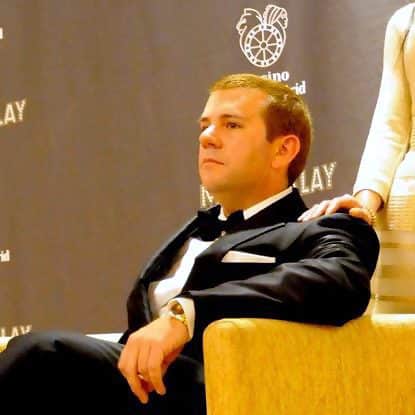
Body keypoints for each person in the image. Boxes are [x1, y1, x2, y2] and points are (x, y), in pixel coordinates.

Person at [0, 73, 379, 414]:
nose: (207, 137)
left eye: (231, 124)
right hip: (136, 389)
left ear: (283, 150)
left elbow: (337, 280)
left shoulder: (320, 226)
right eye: (204, 125)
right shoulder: (192, 231)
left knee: (41, 355)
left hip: (216, 393)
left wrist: (189, 313)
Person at [299, 3, 415, 313]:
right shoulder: (406, 20)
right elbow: (390, 125)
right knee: (396, 339)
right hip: (404, 214)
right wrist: (364, 207)